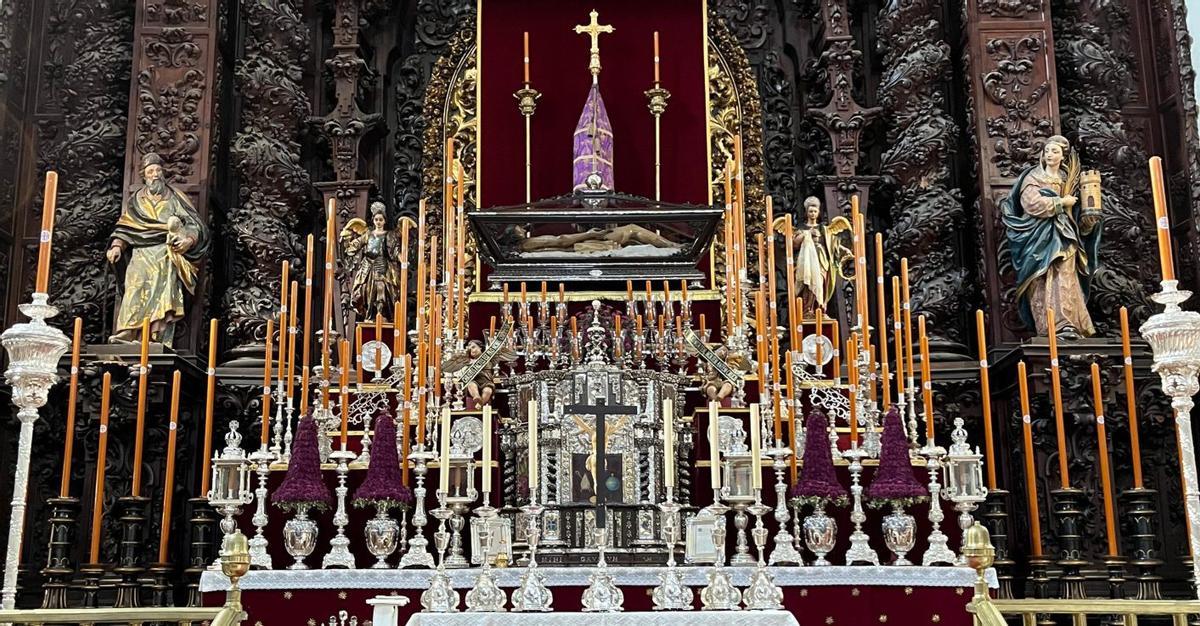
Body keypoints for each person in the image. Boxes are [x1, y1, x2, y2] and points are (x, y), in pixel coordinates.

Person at [1002, 135, 1103, 338]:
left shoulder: (1070, 182)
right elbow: (1031, 203)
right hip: (1037, 236)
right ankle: (1048, 326)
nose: (1049, 154)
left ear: (1063, 156)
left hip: (1065, 234)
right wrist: (1060, 202)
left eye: (1054, 151)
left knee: (1065, 275)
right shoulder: (1033, 178)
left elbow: (1077, 217)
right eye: (1047, 150)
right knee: (1040, 277)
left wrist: (1088, 222)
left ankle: (1068, 324)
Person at [106, 153, 209, 346]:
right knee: (134, 289)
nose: (155, 175)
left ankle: (156, 338)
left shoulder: (175, 197)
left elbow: (194, 224)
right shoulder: (137, 200)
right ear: (144, 176)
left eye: (158, 171)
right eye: (150, 171)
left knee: (163, 294)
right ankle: (127, 333)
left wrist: (188, 240)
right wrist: (117, 246)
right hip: (140, 254)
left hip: (166, 254)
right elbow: (126, 226)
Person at [340, 202, 405, 319]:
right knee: (367, 291)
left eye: (381, 219)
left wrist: (402, 259)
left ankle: (381, 314)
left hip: (383, 268)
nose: (378, 222)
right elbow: (355, 245)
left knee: (382, 290)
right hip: (368, 267)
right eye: (376, 220)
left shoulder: (389, 235)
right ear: (373, 221)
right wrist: (347, 240)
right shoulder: (368, 234)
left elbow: (395, 251)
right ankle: (370, 315)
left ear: (384, 221)